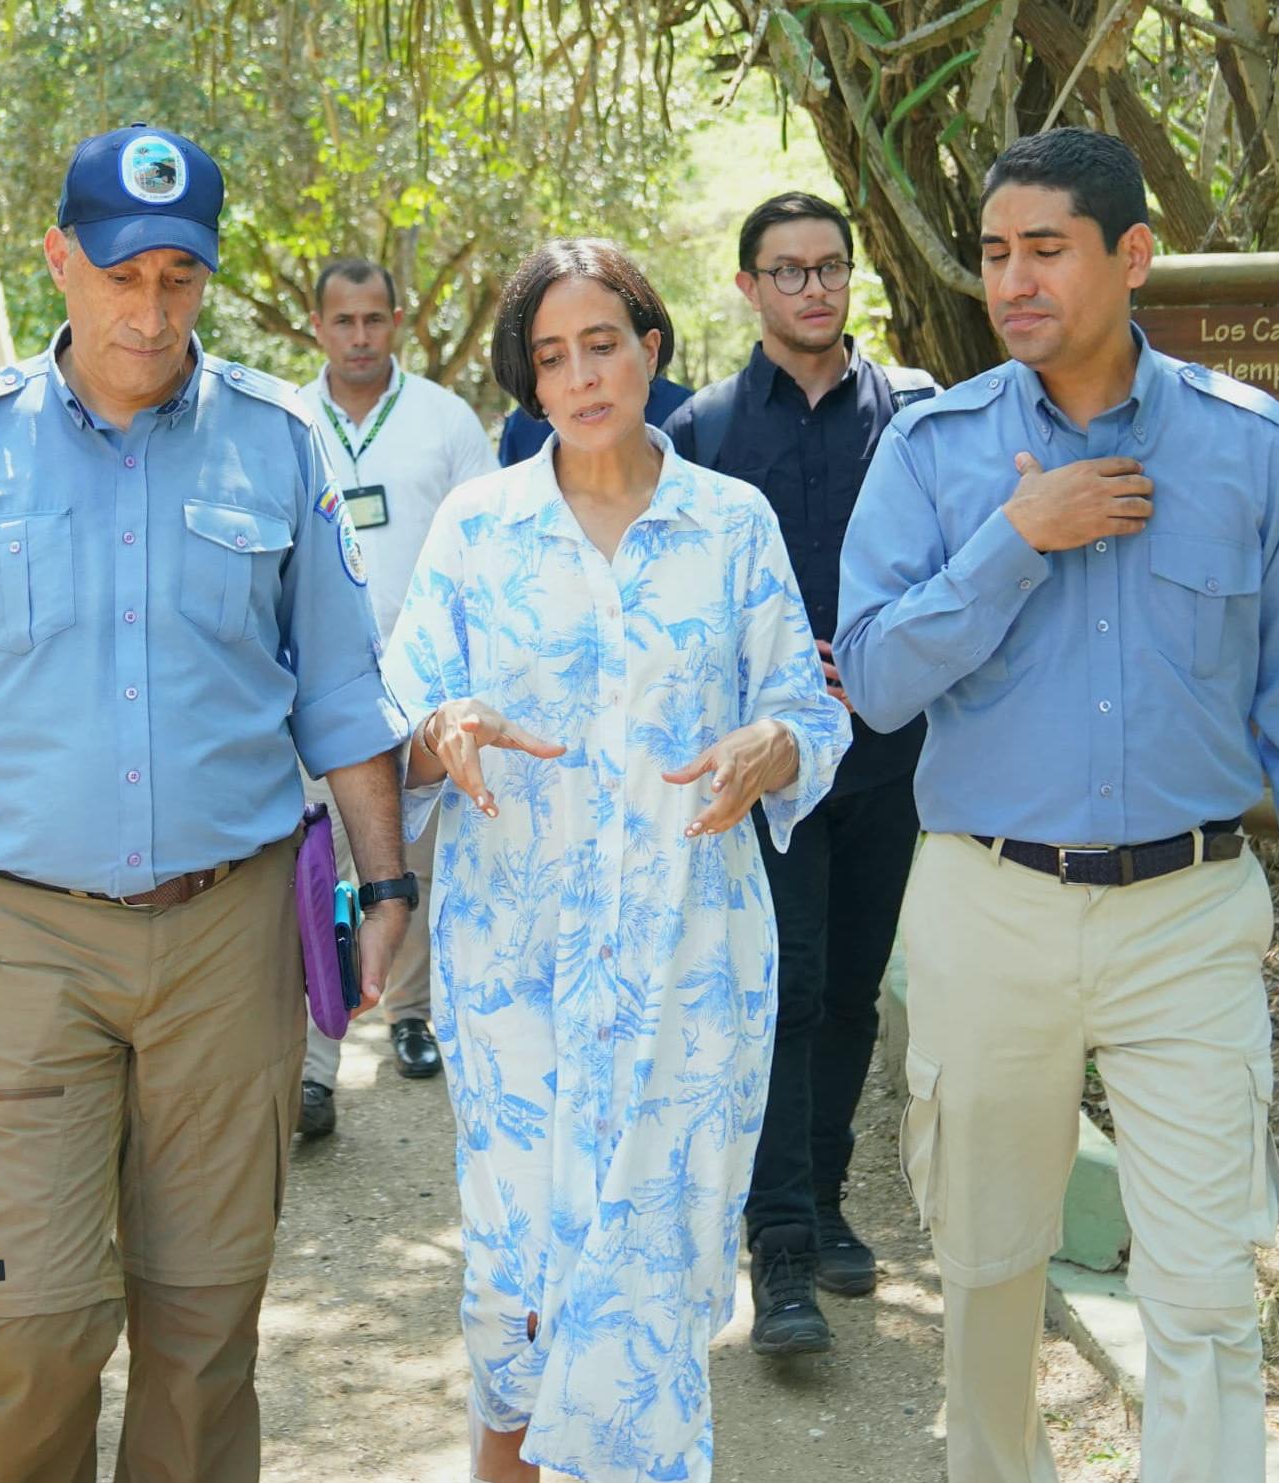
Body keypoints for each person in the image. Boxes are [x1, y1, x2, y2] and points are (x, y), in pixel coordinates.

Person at [0, 124, 412, 1483]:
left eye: (179, 279)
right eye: (119, 275)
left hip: (228, 933)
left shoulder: (275, 442)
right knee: (25, 1325)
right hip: (26, 936)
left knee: (204, 1330)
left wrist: (385, 886)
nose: (149, 313)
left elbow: (339, 687)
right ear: (57, 264)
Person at [835, 128, 1279, 1483]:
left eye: (1044, 249)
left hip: (1187, 910)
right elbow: (877, 680)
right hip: (985, 900)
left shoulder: (1244, 446)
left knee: (1201, 1289)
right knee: (989, 1268)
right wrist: (1013, 541)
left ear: (1129, 256)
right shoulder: (932, 449)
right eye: (995, 253)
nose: (1010, 280)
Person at [387, 238, 846, 1483]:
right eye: (551, 356)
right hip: (512, 963)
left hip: (688, 968)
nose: (582, 374)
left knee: (649, 1276)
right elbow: (398, 722)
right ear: (526, 384)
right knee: (519, 1280)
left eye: (603, 343)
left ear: (650, 349)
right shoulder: (476, 529)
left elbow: (814, 719)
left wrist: (771, 747)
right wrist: (439, 733)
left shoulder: (729, 524)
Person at [657, 191, 940, 1356]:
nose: (811, 288)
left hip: (887, 756)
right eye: (786, 271)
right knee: (779, 988)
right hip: (761, 771)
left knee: (847, 993)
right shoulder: (703, 429)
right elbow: (674, 597)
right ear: (747, 289)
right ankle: (773, 1245)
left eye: (827, 268)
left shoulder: (918, 420)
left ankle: (820, 1202)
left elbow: (952, 564)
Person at [290, 253, 496, 1138]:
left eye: (375, 319)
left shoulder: (445, 422)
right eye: (344, 321)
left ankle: (410, 1015)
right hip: (310, 689)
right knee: (310, 871)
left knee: (412, 858)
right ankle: (312, 1067)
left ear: (399, 322)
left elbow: (486, 546)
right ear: (317, 327)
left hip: (423, 688)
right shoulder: (287, 420)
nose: (360, 336)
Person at [495, 367, 688, 465]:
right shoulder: (522, 425)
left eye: (602, 347)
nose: (580, 379)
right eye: (552, 358)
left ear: (650, 350)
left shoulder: (685, 411)